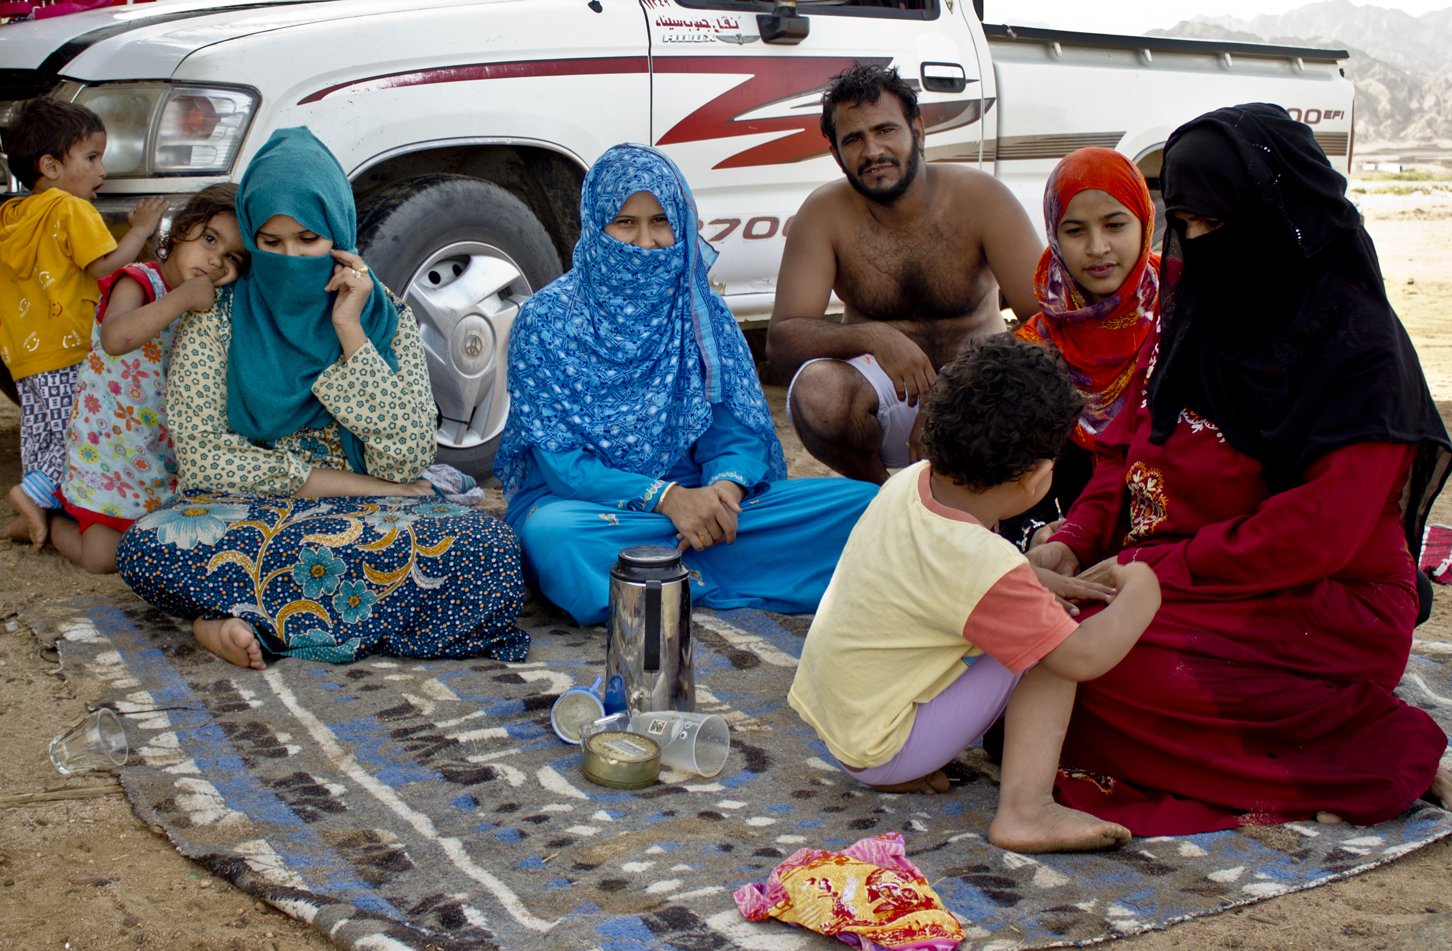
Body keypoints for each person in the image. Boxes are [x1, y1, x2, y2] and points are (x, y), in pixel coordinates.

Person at [1031, 103, 1452, 834]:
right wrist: (1074, 539)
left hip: (1319, 600)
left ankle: (1374, 749)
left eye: (1215, 225)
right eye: (1187, 226)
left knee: (1080, 668)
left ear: (1274, 210)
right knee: (1021, 641)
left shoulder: (1358, 351)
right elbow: (1127, 452)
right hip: (1179, 579)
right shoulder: (1194, 318)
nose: (1197, 246)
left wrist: (1153, 576)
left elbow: (1317, 532)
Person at [116, 127, 528, 667]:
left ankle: (244, 621)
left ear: (338, 231)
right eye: (271, 243)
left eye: (309, 240)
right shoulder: (217, 316)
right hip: (252, 509)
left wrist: (349, 330)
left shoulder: (383, 315)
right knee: (150, 548)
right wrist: (363, 488)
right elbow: (204, 458)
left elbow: (406, 456)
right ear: (252, 241)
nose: (291, 258)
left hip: (374, 516)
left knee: (490, 551)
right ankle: (355, 621)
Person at [789, 336, 1161, 853]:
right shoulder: (982, 561)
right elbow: (1084, 658)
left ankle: (902, 765)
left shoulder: (912, 482)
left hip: (843, 724)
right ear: (1036, 478)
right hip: (885, 744)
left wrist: (1034, 577)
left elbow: (949, 579)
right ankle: (1026, 811)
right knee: (1052, 643)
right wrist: (1145, 589)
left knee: (1036, 614)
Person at [496, 143, 879, 627]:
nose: (645, 242)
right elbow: (561, 466)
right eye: (625, 223)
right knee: (557, 538)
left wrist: (723, 492)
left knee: (864, 506)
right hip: (593, 508)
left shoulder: (700, 310)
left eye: (661, 222)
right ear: (595, 225)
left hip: (705, 505)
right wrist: (667, 500)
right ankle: (725, 570)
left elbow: (733, 435)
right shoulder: (547, 319)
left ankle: (656, 578)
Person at [768, 62, 1042, 483]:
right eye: (854, 139)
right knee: (817, 392)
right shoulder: (824, 214)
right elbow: (782, 339)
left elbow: (1046, 321)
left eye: (885, 130)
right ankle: (882, 500)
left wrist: (956, 387)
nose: (873, 151)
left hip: (981, 396)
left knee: (1035, 387)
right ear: (836, 154)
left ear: (917, 130)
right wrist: (873, 337)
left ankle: (992, 512)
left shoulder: (979, 198)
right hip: (890, 400)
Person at [0, 96, 167, 549]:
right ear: (50, 167)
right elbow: (105, 267)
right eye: (91, 157)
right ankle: (29, 495)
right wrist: (142, 230)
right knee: (76, 435)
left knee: (40, 433)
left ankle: (37, 515)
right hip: (69, 348)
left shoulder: (12, 216)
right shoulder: (70, 209)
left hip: (26, 353)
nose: (102, 171)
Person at [50, 184, 250, 574]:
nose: (215, 261)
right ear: (179, 231)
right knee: (102, 559)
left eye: (232, 258)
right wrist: (181, 299)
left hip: (162, 454)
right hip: (113, 449)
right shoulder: (140, 280)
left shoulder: (215, 306)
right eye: (209, 239)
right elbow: (116, 337)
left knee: (165, 544)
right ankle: (43, 522)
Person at [1003, 147, 1161, 547]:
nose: (1097, 247)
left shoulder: (1184, 306)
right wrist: (1038, 535)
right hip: (1074, 539)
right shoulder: (1037, 346)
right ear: (1054, 236)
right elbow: (1013, 474)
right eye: (1075, 231)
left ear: (1144, 224)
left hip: (1176, 533)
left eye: (1115, 225)